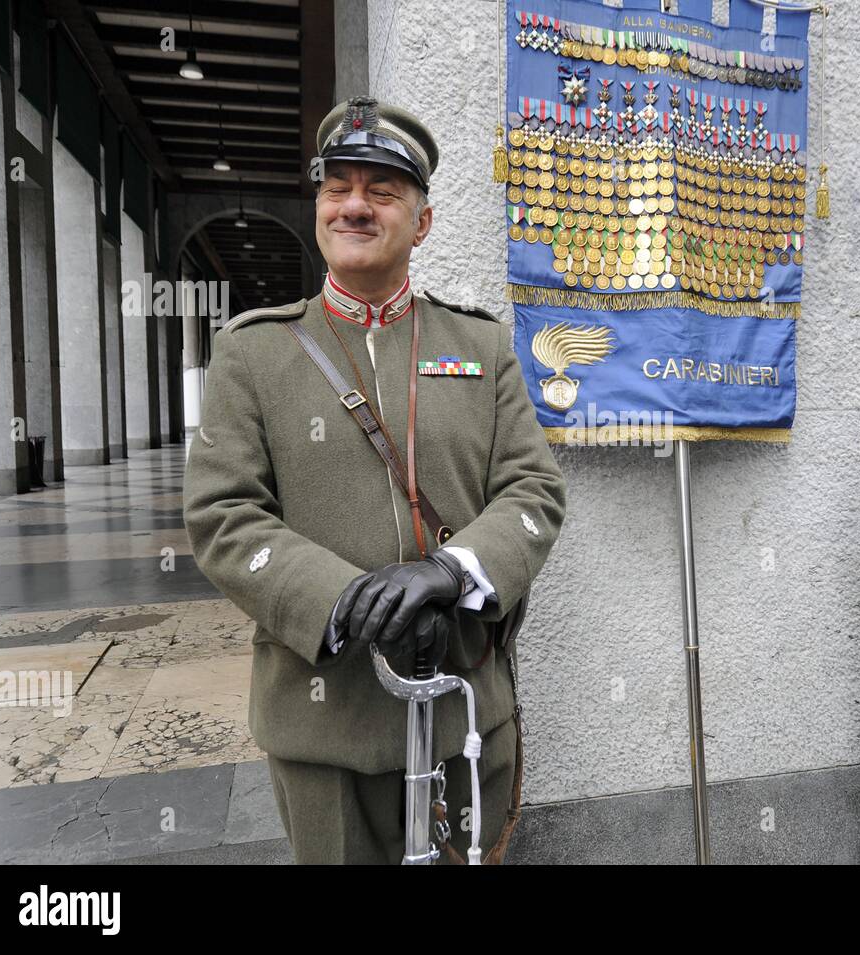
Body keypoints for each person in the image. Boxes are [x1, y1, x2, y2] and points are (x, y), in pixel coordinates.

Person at [183, 97, 566, 864]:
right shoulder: (254, 354)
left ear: (420, 222)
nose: (355, 205)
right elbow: (224, 515)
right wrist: (345, 598)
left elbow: (534, 489)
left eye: (383, 190)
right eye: (338, 187)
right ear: (320, 206)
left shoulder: (482, 344)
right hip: (327, 729)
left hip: (465, 715)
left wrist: (449, 572)